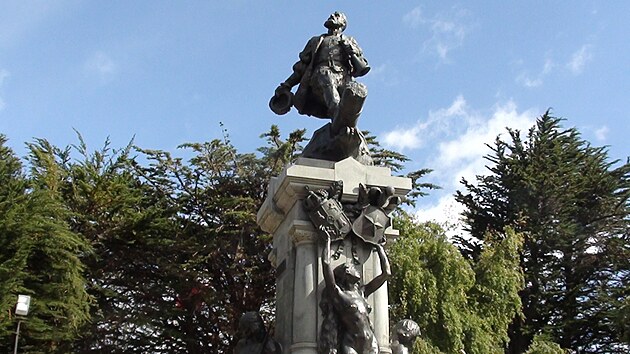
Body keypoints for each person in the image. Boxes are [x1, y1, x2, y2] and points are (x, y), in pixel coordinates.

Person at [273, 12, 369, 121]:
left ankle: (346, 122)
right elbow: (301, 67)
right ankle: (336, 111)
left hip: (343, 77)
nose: (332, 16)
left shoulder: (350, 41)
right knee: (326, 75)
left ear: (343, 23)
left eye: (337, 15)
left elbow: (362, 66)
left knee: (354, 91)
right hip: (320, 77)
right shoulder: (316, 41)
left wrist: (351, 51)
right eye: (332, 15)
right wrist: (287, 85)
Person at [320, 233, 391, 354]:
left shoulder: (362, 293)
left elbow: (386, 273)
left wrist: (379, 248)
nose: (356, 269)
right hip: (351, 342)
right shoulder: (339, 295)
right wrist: (328, 241)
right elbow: (326, 264)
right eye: (352, 267)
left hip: (371, 342)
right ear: (346, 273)